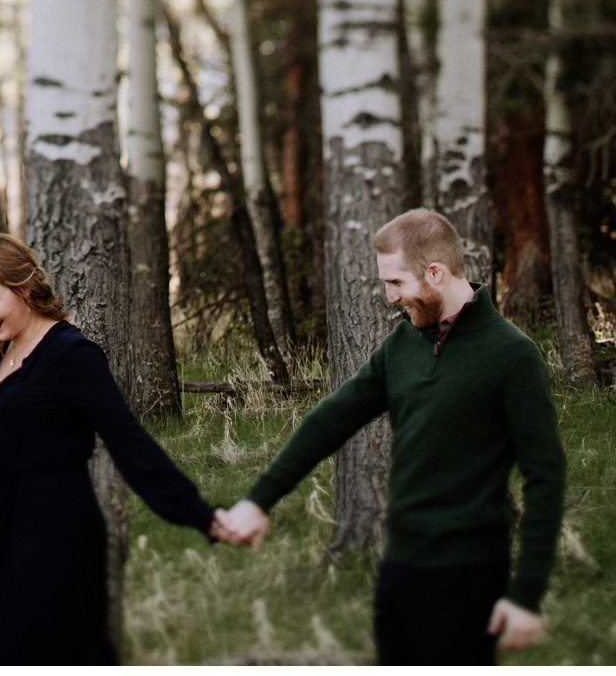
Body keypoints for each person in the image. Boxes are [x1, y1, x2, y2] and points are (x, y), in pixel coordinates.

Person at [215, 208, 567, 665]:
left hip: (471, 576)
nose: (388, 298)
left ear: (435, 272)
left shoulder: (512, 356)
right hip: (401, 568)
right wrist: (258, 501)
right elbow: (329, 422)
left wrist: (526, 595)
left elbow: (546, 476)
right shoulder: (401, 347)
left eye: (396, 283)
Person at [0, 232, 236, 664]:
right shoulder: (5, 359)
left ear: (24, 288)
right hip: (11, 537)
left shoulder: (71, 355)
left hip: (61, 537)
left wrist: (200, 515)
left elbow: (130, 443)